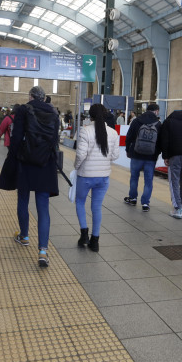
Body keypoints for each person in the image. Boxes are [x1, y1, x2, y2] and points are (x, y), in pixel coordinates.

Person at [0, 86, 60, 267]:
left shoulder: (24, 109)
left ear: (30, 96)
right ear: (43, 98)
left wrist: (14, 159)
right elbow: (55, 140)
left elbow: (16, 138)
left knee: (23, 199)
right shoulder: (54, 112)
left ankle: (24, 236)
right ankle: (42, 251)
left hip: (25, 162)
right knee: (43, 208)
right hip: (45, 163)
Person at [73, 103, 120, 252]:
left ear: (90, 116)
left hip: (86, 176)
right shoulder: (113, 133)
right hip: (103, 177)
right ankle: (95, 241)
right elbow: (115, 156)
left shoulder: (85, 131)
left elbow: (81, 155)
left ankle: (84, 234)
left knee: (80, 202)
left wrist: (76, 167)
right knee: (97, 207)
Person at [158, 108, 182, 219]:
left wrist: (165, 156)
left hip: (175, 155)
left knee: (174, 181)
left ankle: (177, 208)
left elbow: (164, 140)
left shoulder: (169, 122)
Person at [123, 103, 161, 212]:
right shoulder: (158, 124)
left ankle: (133, 198)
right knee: (148, 180)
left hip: (136, 154)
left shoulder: (136, 121)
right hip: (151, 157)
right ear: (156, 111)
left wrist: (127, 150)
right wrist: (156, 154)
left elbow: (129, 137)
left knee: (134, 177)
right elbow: (160, 142)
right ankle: (145, 203)